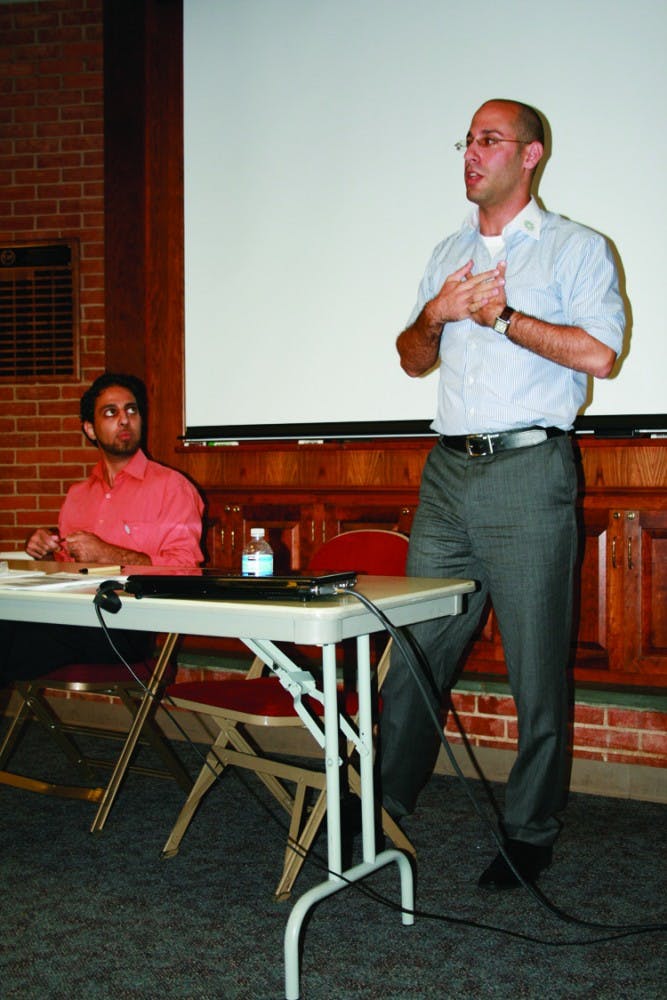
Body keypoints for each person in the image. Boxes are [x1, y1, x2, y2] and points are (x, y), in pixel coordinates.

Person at [379, 99, 625, 889]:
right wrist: (435, 312)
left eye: (489, 140)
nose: (471, 153)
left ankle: (529, 831)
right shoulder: (447, 250)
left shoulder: (575, 249)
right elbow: (412, 359)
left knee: (534, 665)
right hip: (447, 476)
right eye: (467, 141)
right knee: (415, 648)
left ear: (530, 155)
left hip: (528, 472)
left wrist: (503, 315)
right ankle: (380, 805)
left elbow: (598, 355)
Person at [0, 372, 204, 684]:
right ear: (90, 429)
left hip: (126, 624)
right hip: (69, 616)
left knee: (11, 633)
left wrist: (107, 554)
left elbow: (186, 573)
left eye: (131, 410)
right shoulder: (77, 495)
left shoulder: (172, 488)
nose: (125, 420)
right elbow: (68, 573)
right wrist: (45, 553)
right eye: (111, 412)